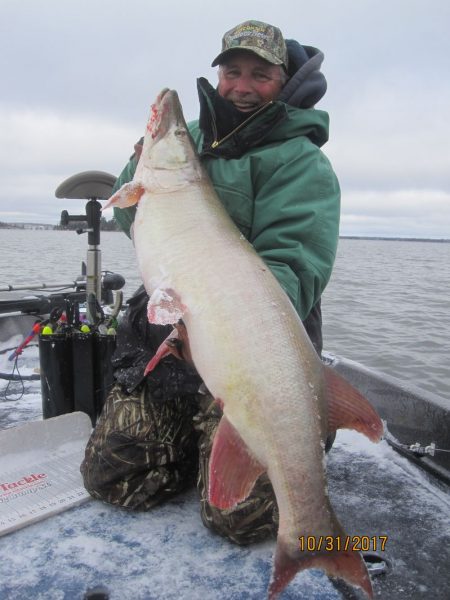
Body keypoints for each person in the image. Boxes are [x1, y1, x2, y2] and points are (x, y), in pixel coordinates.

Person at [81, 20, 340, 545]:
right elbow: (134, 222)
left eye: (260, 75)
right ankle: (189, 440)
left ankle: (302, 505)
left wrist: (220, 336)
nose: (243, 86)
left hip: (251, 344)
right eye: (232, 72)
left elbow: (293, 265)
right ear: (219, 75)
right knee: (117, 479)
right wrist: (140, 163)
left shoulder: (303, 163)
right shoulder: (192, 138)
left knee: (240, 521)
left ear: (284, 81)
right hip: (171, 331)